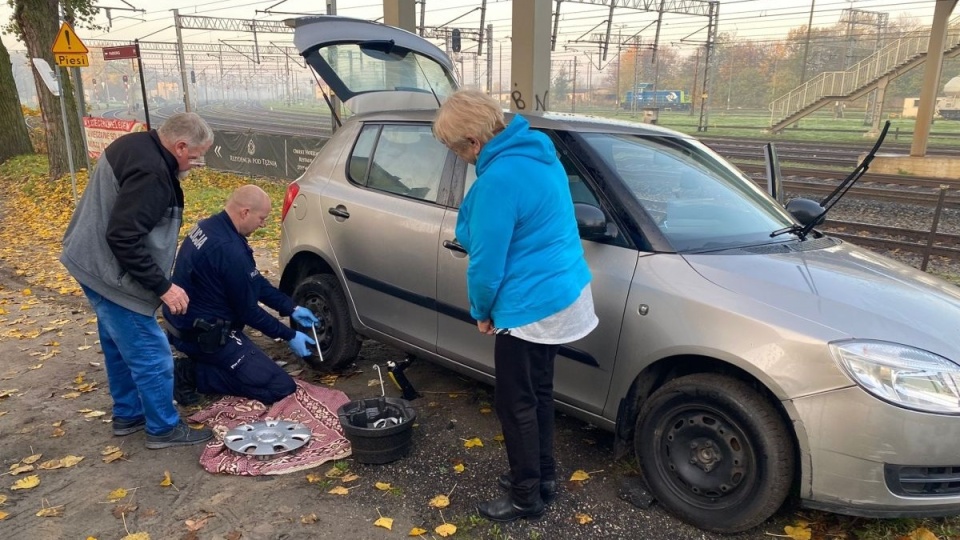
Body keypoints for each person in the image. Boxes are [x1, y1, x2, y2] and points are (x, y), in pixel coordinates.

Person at [433, 90, 598, 522]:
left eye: (456, 148)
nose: (459, 157)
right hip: (564, 295)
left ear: (473, 140)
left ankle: (526, 497)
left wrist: (481, 311)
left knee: (515, 403)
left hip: (530, 307)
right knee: (539, 393)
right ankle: (542, 477)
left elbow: (487, 264)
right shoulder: (540, 154)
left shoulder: (498, 180)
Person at [60, 112, 215, 450]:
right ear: (179, 145)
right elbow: (123, 237)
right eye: (195, 155)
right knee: (151, 352)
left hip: (87, 258)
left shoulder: (135, 144)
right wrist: (163, 286)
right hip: (109, 271)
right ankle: (163, 428)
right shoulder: (152, 174)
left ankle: (129, 414)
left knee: (118, 343)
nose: (197, 163)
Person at [162, 185, 319, 406]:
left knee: (254, 368)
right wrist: (289, 335)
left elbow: (253, 282)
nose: (263, 224)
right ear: (245, 212)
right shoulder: (229, 249)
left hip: (182, 323)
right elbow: (249, 313)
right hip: (203, 336)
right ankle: (189, 373)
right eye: (261, 218)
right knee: (279, 386)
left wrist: (290, 308)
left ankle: (208, 364)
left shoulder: (209, 227)